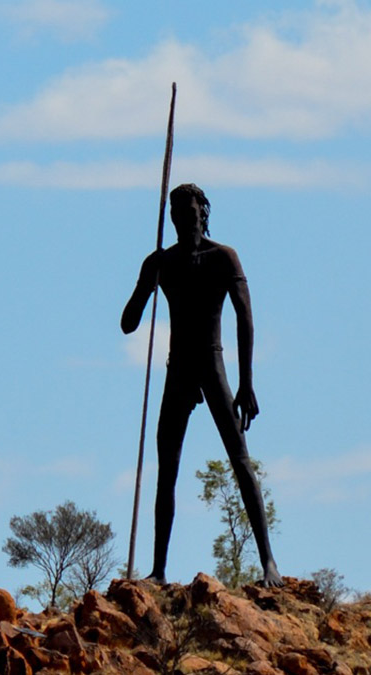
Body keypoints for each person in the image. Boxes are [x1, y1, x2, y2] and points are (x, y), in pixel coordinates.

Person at [121, 183, 283, 587]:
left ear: (203, 214)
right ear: (170, 218)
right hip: (179, 368)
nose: (185, 220)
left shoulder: (223, 257)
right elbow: (127, 323)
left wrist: (247, 383)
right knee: (168, 468)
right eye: (177, 214)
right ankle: (158, 570)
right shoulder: (162, 263)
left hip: (211, 363)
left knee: (240, 459)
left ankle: (269, 563)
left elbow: (245, 318)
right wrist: (147, 279)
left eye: (191, 213)